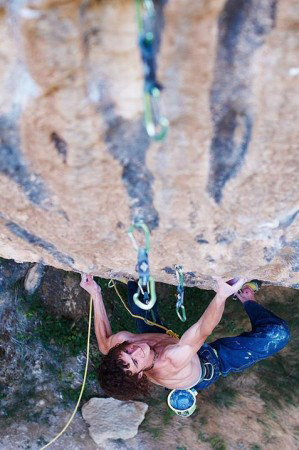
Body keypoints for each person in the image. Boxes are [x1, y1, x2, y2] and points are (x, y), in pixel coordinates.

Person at [80, 274, 290, 401]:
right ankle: (245, 297)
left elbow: (104, 343)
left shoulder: (122, 348)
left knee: (141, 289)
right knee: (277, 334)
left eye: (126, 351)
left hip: (164, 342)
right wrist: (222, 294)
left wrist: (95, 293)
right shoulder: (172, 359)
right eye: (134, 361)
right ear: (140, 375)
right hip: (211, 362)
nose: (136, 349)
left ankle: (137, 279)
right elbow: (201, 330)